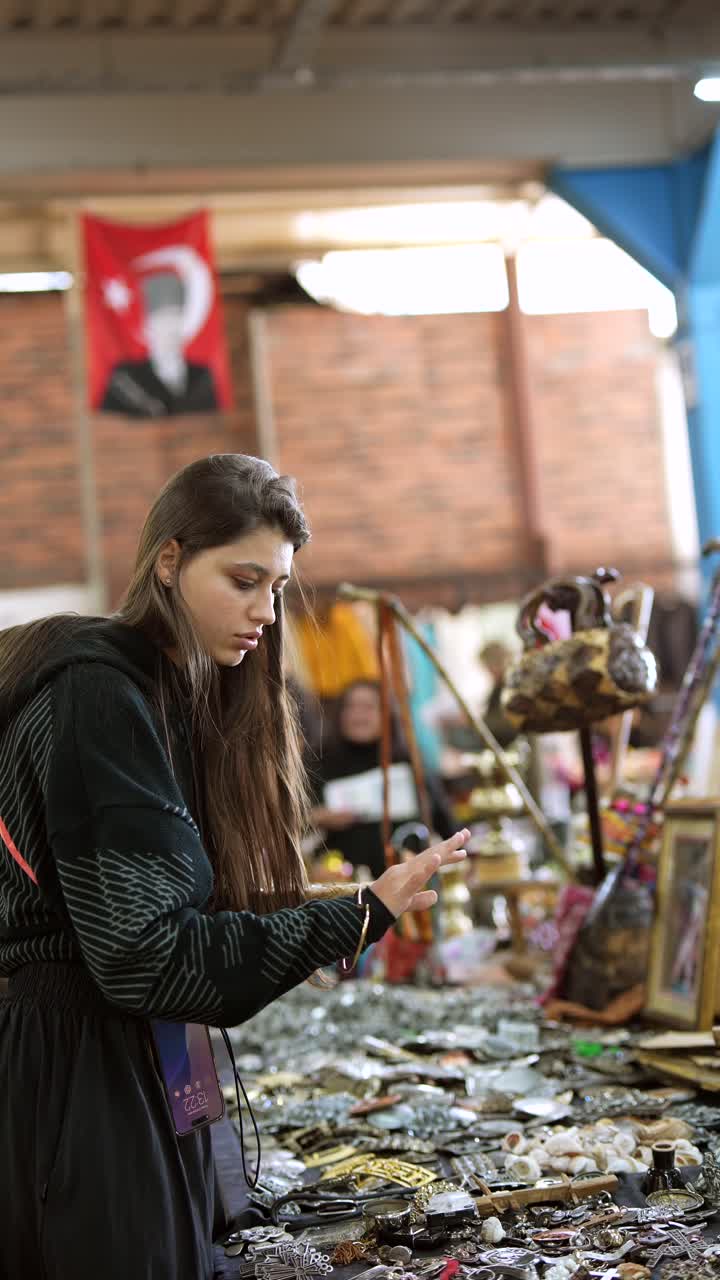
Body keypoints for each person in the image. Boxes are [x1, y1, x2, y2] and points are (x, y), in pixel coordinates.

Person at [0, 454, 469, 1280]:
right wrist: (353, 913)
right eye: (244, 579)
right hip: (75, 1075)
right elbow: (148, 957)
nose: (264, 611)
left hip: (113, 1059)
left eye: (279, 587)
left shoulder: (156, 693)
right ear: (171, 560)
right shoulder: (98, 695)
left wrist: (338, 907)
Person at [310, 679, 455, 879]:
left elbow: (442, 816)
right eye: (350, 707)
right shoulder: (320, 762)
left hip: (409, 874)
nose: (358, 715)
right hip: (346, 880)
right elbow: (296, 818)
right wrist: (319, 817)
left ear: (387, 714)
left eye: (368, 707)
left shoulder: (407, 760)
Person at [101, 271, 218, 417]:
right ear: (148, 326)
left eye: (175, 318)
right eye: (162, 320)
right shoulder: (124, 377)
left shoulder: (203, 375)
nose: (170, 328)